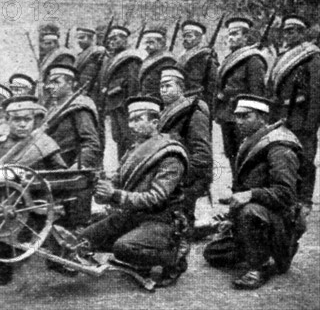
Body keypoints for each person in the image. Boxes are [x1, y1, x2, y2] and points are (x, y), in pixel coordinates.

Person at [74, 96, 190, 287]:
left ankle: (174, 256)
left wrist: (114, 195)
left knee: (123, 247)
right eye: (130, 120)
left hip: (161, 219)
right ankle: (141, 255)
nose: (131, 125)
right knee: (83, 240)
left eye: (138, 119)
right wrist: (102, 187)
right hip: (133, 215)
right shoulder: (134, 149)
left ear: (154, 122)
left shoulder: (170, 154)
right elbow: (117, 181)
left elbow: (156, 198)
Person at [203, 94, 307, 289]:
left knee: (248, 212)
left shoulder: (279, 147)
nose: (238, 121)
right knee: (214, 254)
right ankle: (271, 251)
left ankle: (261, 265)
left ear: (263, 118)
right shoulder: (253, 139)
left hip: (282, 218)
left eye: (246, 116)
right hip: (266, 214)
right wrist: (230, 216)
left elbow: (286, 195)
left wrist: (250, 195)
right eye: (237, 116)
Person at [266, 14, 320, 215]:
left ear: (303, 33)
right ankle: (285, 195)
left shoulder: (312, 57)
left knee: (305, 159)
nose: (288, 35)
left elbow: (316, 94)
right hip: (280, 115)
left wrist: (311, 123)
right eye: (286, 31)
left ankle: (305, 199)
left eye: (293, 31)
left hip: (301, 116)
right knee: (281, 156)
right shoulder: (282, 56)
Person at [43, 64, 101, 229]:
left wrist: (76, 170)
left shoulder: (79, 107)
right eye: (49, 82)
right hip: (55, 174)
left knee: (76, 229)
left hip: (74, 177)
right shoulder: (54, 107)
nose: (50, 86)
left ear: (71, 84)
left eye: (56, 82)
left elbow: (91, 143)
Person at [158, 66, 212, 227]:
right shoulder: (165, 112)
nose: (163, 90)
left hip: (188, 179)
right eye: (161, 86)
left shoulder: (193, 113)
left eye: (168, 86)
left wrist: (179, 177)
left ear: (181, 88)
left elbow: (203, 155)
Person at [215, 17, 267, 174]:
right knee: (231, 153)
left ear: (246, 37)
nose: (231, 37)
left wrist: (254, 117)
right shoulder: (228, 59)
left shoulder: (253, 60)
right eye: (229, 34)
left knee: (245, 154)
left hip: (244, 116)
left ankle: (247, 189)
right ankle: (236, 187)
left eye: (236, 34)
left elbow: (257, 93)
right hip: (227, 116)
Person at [94, 25, 142, 161]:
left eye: (115, 38)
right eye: (109, 40)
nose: (111, 42)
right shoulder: (110, 58)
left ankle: (130, 165)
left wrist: (131, 104)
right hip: (113, 104)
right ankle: (122, 166)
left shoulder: (131, 58)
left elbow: (133, 83)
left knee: (128, 137)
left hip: (124, 105)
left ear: (124, 39)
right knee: (118, 137)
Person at [0, 95, 66, 169]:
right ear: (7, 120)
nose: (22, 124)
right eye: (17, 119)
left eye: (27, 119)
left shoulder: (44, 143)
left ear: (34, 121)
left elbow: (62, 176)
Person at [176, 20, 219, 113]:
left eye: (189, 36)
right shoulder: (182, 56)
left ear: (199, 38)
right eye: (184, 36)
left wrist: (209, 110)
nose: (185, 39)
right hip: (180, 102)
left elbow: (212, 87)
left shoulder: (206, 58)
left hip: (197, 105)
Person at [139, 27, 177, 100]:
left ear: (161, 43)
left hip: (157, 99)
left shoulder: (167, 60)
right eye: (146, 42)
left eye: (151, 42)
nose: (147, 45)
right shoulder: (148, 58)